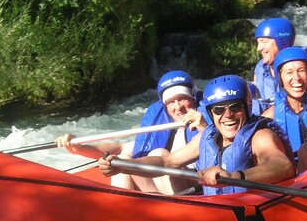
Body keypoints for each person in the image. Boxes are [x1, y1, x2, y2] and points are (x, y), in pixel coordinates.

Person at [98, 75, 295, 195]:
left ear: (247, 107)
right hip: (219, 212)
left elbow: (282, 165)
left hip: (252, 213)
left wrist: (235, 176)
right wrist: (124, 166)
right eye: (218, 110)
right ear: (210, 113)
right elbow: (168, 162)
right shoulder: (209, 135)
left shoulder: (260, 136)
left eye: (235, 107)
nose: (227, 116)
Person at [57, 70, 207, 194]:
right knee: (123, 157)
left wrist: (203, 127)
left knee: (158, 153)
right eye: (171, 102)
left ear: (193, 98)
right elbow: (122, 147)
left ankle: (171, 212)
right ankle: (120, 210)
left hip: (193, 190)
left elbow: (211, 148)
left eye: (182, 99)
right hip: (163, 190)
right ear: (165, 106)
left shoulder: (207, 123)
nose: (178, 107)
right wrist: (79, 147)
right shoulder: (164, 127)